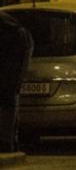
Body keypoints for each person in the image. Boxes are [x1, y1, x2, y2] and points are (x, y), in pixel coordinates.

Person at [0, 11, 33, 153]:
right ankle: (10, 140)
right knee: (9, 94)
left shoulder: (14, 34)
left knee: (9, 92)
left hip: (17, 45)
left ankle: (7, 142)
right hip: (14, 44)